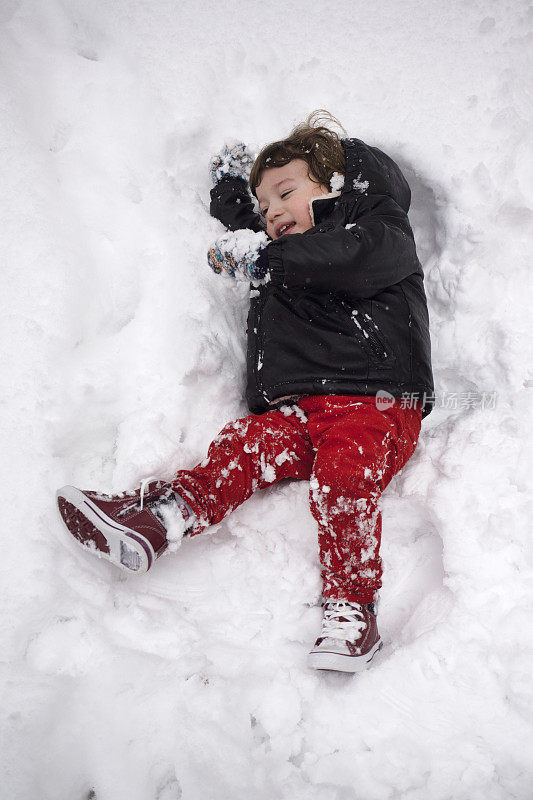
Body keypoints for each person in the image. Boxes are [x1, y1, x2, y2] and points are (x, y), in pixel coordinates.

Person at [57, 111, 434, 673]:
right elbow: (253, 229)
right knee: (242, 446)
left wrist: (268, 251)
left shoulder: (376, 232)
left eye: (287, 192)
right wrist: (236, 191)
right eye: (265, 207)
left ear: (336, 186)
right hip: (300, 414)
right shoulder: (282, 248)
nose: (273, 211)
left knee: (344, 478)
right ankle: (161, 518)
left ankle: (351, 611)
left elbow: (343, 258)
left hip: (372, 406)